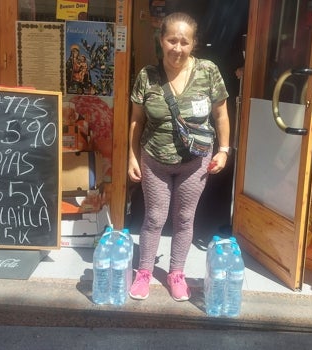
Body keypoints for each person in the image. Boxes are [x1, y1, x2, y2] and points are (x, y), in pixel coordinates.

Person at [127, 12, 231, 302]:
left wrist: (224, 150)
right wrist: (131, 156)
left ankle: (176, 273)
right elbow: (136, 119)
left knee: (185, 218)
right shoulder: (147, 76)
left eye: (184, 42)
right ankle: (144, 272)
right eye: (172, 40)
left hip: (195, 162)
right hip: (154, 159)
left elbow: (220, 114)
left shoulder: (208, 71)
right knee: (154, 217)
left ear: (193, 44)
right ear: (161, 40)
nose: (177, 48)